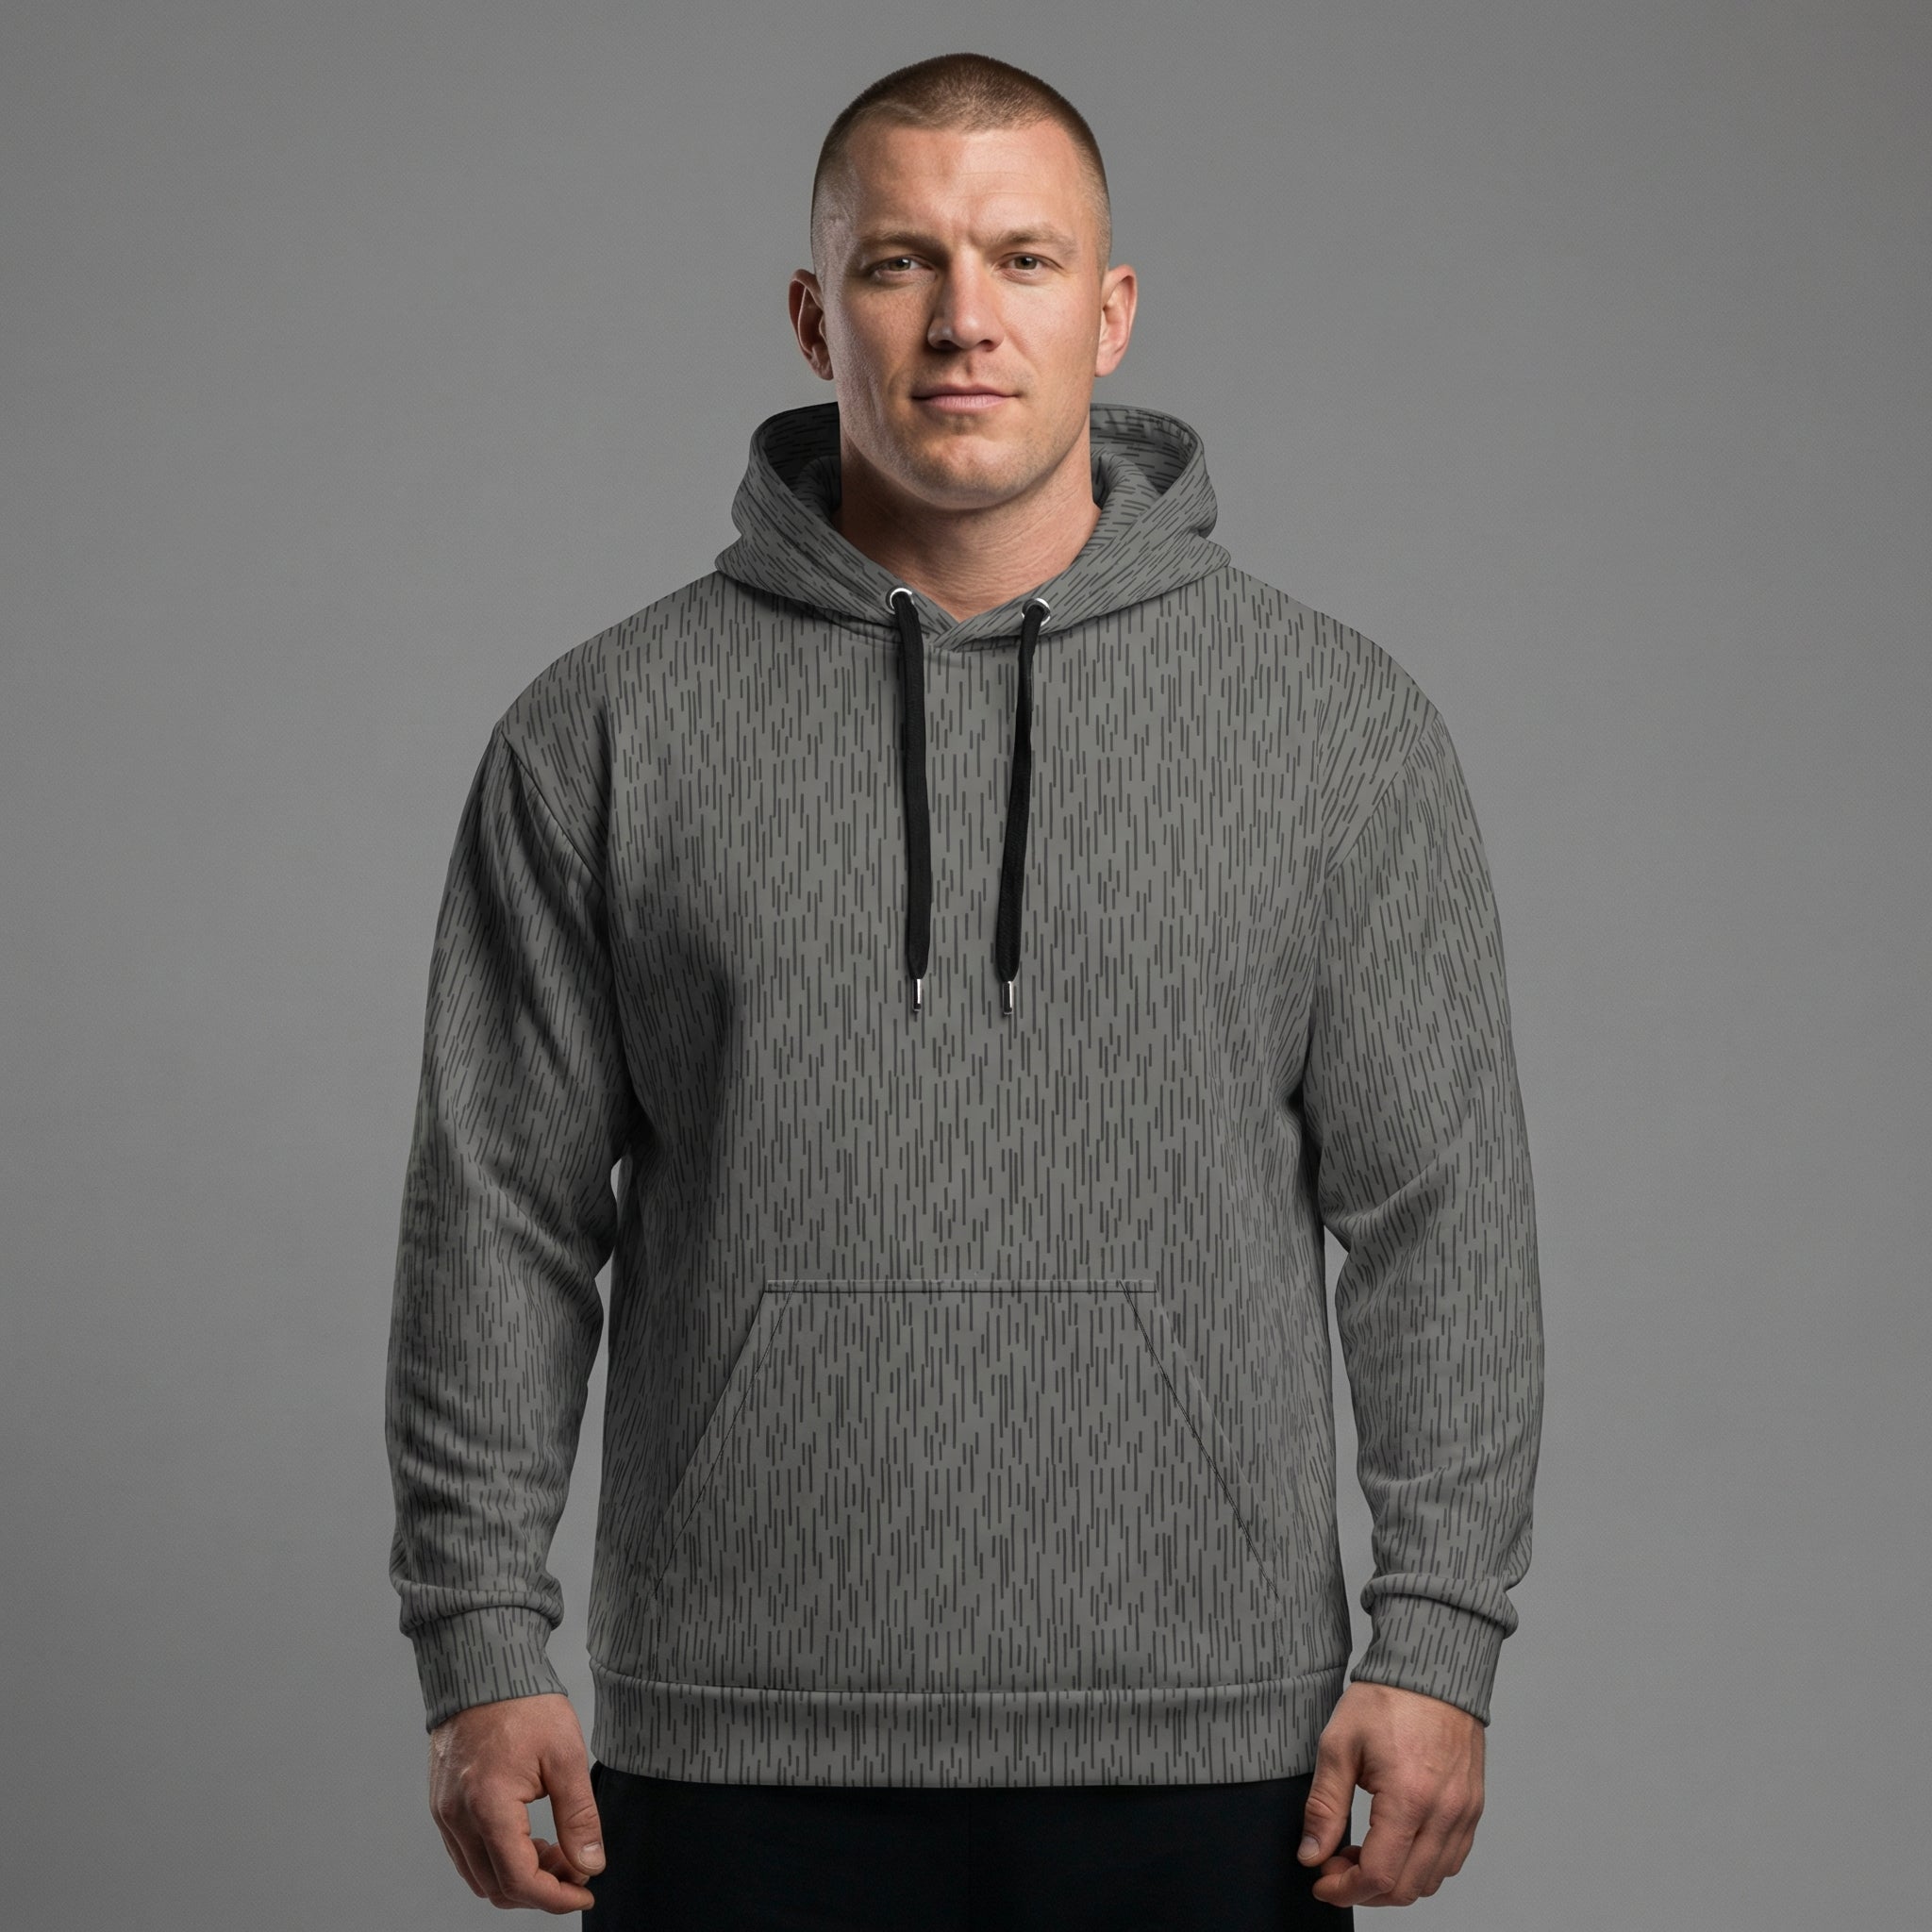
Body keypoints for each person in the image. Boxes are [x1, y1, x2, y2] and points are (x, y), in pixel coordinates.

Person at [383, 48, 1544, 1929]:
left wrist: (1439, 1638)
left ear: (1111, 310)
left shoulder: (1337, 729)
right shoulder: (603, 731)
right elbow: (500, 1214)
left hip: (1216, 1743)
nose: (961, 319)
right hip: (731, 1739)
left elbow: (1442, 1219)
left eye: (1020, 258)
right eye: (899, 262)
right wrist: (475, 1638)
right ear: (813, 313)